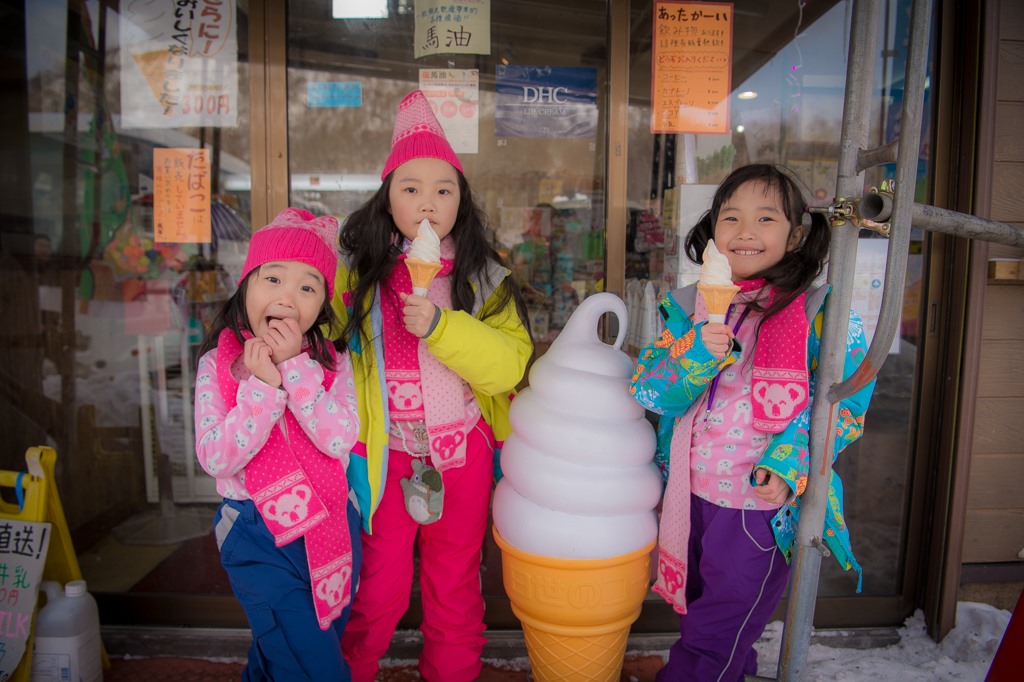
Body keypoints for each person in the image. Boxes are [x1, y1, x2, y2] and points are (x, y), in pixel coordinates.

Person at [630, 164, 875, 681]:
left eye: (766, 218)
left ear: (796, 234)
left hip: (757, 508)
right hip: (689, 496)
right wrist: (697, 350)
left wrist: (788, 463)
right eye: (731, 217)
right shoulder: (688, 308)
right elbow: (650, 390)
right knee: (708, 618)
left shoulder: (821, 312)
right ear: (712, 228)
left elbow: (845, 405)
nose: (745, 231)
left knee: (715, 633)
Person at [331, 90, 533, 682]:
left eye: (444, 190)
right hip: (383, 456)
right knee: (378, 589)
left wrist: (444, 327)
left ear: (461, 201)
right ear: (387, 197)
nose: (427, 203)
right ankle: (352, 671)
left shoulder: (483, 276)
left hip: (462, 452)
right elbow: (326, 352)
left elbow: (509, 366)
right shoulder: (356, 277)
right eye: (411, 188)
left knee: (455, 585)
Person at [193, 207, 361, 681]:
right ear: (245, 285)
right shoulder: (218, 365)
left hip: (331, 524)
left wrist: (294, 369)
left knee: (293, 648)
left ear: (321, 305)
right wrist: (262, 388)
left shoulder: (332, 362)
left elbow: (339, 437)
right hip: (258, 532)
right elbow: (215, 457)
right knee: (313, 666)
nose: (288, 296)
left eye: (308, 287)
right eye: (273, 279)